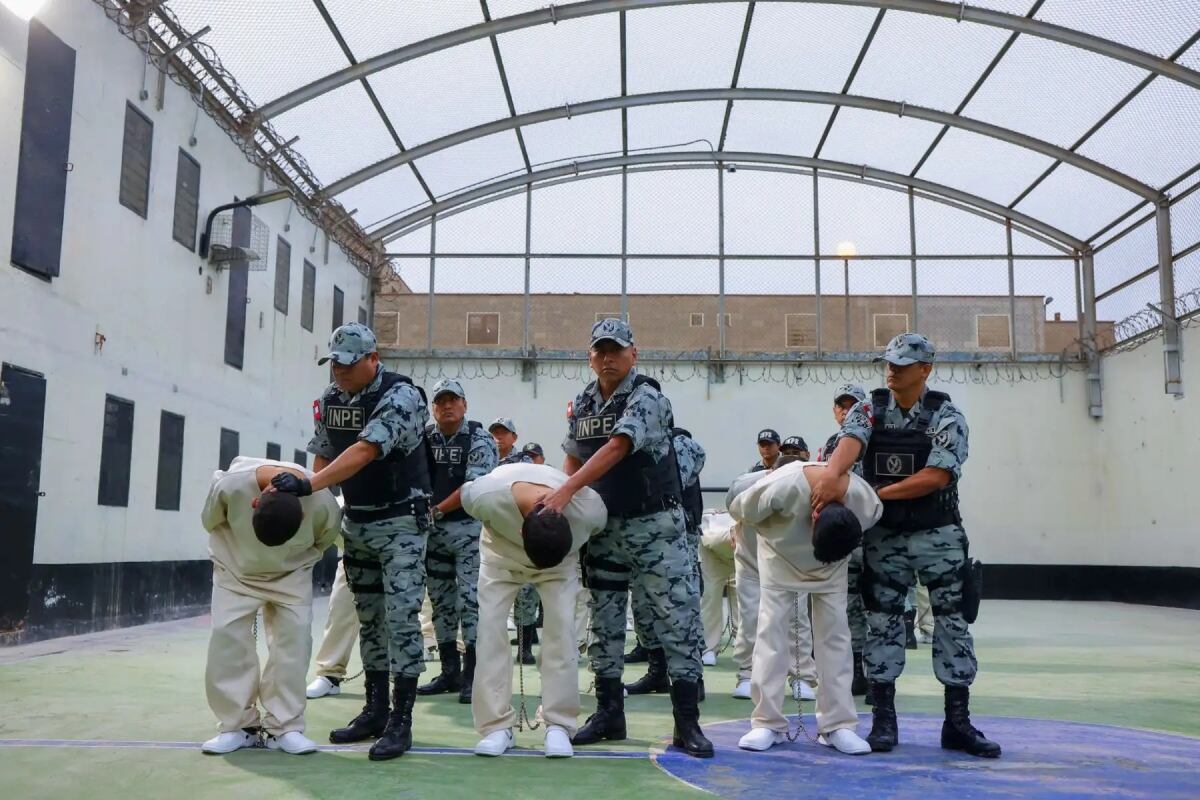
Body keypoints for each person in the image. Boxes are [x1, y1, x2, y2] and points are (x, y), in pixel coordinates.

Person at [812, 332, 1000, 758]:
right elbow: (851, 441)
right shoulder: (869, 409)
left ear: (925, 369)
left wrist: (878, 495)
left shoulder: (946, 416)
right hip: (885, 540)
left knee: (953, 624)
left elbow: (937, 475)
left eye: (901, 363)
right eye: (889, 362)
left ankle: (957, 723)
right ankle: (883, 720)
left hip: (938, 535)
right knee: (883, 625)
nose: (891, 369)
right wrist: (833, 474)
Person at [539, 318, 712, 758]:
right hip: (606, 529)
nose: (608, 357)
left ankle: (686, 724)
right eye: (600, 350)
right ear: (590, 357)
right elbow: (574, 455)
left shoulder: (647, 397)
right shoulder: (582, 402)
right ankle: (609, 713)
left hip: (657, 529)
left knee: (677, 624)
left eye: (616, 349)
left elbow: (617, 445)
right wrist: (567, 505)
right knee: (606, 625)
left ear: (634, 354)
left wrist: (566, 492)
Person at [271, 322, 432, 762]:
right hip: (358, 522)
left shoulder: (401, 396)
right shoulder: (329, 400)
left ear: (372, 360)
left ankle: (402, 721)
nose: (338, 372)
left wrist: (310, 484)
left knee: (401, 620)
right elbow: (324, 453)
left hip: (401, 521)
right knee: (369, 618)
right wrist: (315, 499)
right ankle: (375, 709)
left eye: (347, 363)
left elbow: (364, 449)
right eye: (333, 363)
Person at [729, 460, 880, 755]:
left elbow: (872, 519)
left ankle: (838, 725)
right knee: (771, 633)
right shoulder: (780, 487)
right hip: (779, 553)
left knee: (836, 637)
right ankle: (767, 722)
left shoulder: (864, 501)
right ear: (813, 515)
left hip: (833, 563)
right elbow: (739, 509)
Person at [460, 462, 608, 758]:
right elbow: (463, 493)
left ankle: (559, 725)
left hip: (559, 561)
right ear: (519, 528)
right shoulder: (484, 495)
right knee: (489, 632)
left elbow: (596, 531)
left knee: (563, 633)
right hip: (501, 555)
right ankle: (495, 726)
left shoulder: (590, 508)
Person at [200, 456, 341, 755]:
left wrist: (296, 563)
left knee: (295, 643)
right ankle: (239, 727)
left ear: (303, 517)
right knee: (228, 641)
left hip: (292, 572)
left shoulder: (323, 502)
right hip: (234, 568)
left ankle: (284, 728)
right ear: (254, 502)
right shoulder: (229, 484)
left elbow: (325, 539)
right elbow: (210, 520)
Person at [418, 380, 499, 704]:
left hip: (468, 532)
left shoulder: (480, 439)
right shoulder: (422, 438)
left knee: (471, 602)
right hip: (433, 534)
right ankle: (450, 671)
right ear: (434, 408)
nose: (447, 406)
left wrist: (435, 509)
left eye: (453, 400)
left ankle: (473, 675)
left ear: (464, 405)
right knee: (440, 603)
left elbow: (472, 488)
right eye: (441, 402)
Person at [625, 426, 706, 696]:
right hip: (643, 536)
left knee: (679, 607)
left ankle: (692, 680)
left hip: (675, 538)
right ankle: (657, 672)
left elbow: (673, 481)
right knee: (643, 606)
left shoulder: (680, 442)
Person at [726, 464, 817, 702]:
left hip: (792, 562)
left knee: (798, 620)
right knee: (750, 618)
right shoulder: (747, 483)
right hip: (752, 562)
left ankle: (801, 676)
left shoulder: (810, 483)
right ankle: (747, 675)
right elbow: (732, 503)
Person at [818, 383, 871, 698]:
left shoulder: (876, 442)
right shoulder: (830, 445)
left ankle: (878, 675)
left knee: (876, 604)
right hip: (845, 536)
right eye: (841, 405)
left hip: (874, 532)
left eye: (854, 406)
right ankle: (854, 670)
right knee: (847, 603)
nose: (846, 411)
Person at [305, 496, 361, 700]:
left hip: (402, 536)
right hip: (354, 545)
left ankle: (402, 678)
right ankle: (330, 676)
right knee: (341, 608)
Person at [698, 510, 737, 666]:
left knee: (744, 603)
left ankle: (746, 646)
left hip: (741, 552)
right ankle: (708, 649)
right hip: (712, 555)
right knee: (710, 599)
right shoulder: (710, 531)